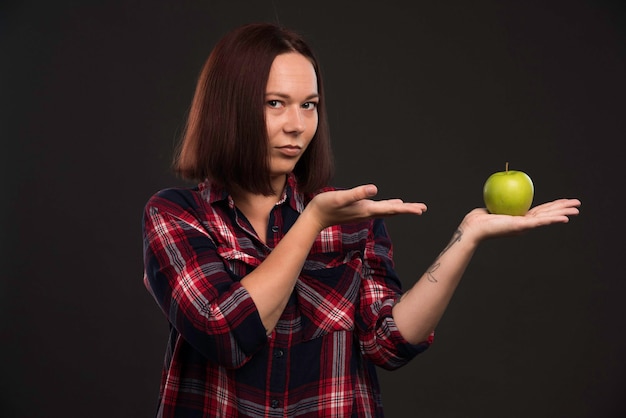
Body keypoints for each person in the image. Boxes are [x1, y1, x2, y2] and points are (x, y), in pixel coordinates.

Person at [142, 22, 580, 417]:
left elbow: (388, 342)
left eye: (309, 105)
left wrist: (466, 239)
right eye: (275, 103)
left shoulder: (351, 220)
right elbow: (227, 335)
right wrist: (311, 221)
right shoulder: (177, 214)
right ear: (229, 108)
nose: (297, 125)